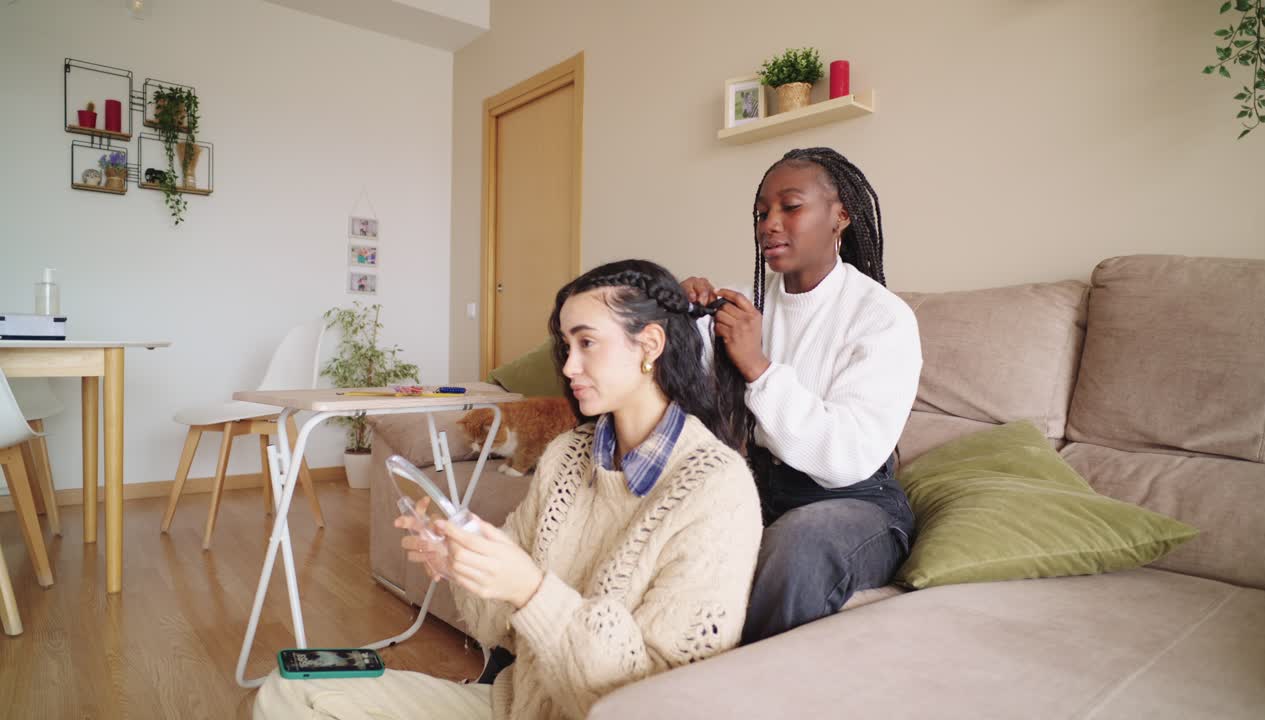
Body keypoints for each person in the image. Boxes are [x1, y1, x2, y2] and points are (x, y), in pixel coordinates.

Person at [254, 259, 763, 719]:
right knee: (294, 690)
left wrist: (531, 590)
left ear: (649, 345)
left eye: (587, 343)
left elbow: (653, 703)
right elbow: (497, 629)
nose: (567, 367)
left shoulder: (716, 492)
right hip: (511, 706)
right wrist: (465, 565)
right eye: (566, 346)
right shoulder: (568, 456)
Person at [681, 146, 922, 644]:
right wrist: (681, 322)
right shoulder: (747, 306)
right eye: (761, 213)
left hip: (854, 502)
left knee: (802, 543)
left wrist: (758, 367)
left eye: (790, 207)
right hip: (758, 487)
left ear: (841, 216)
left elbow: (847, 455)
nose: (769, 224)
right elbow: (677, 396)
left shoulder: (882, 317)